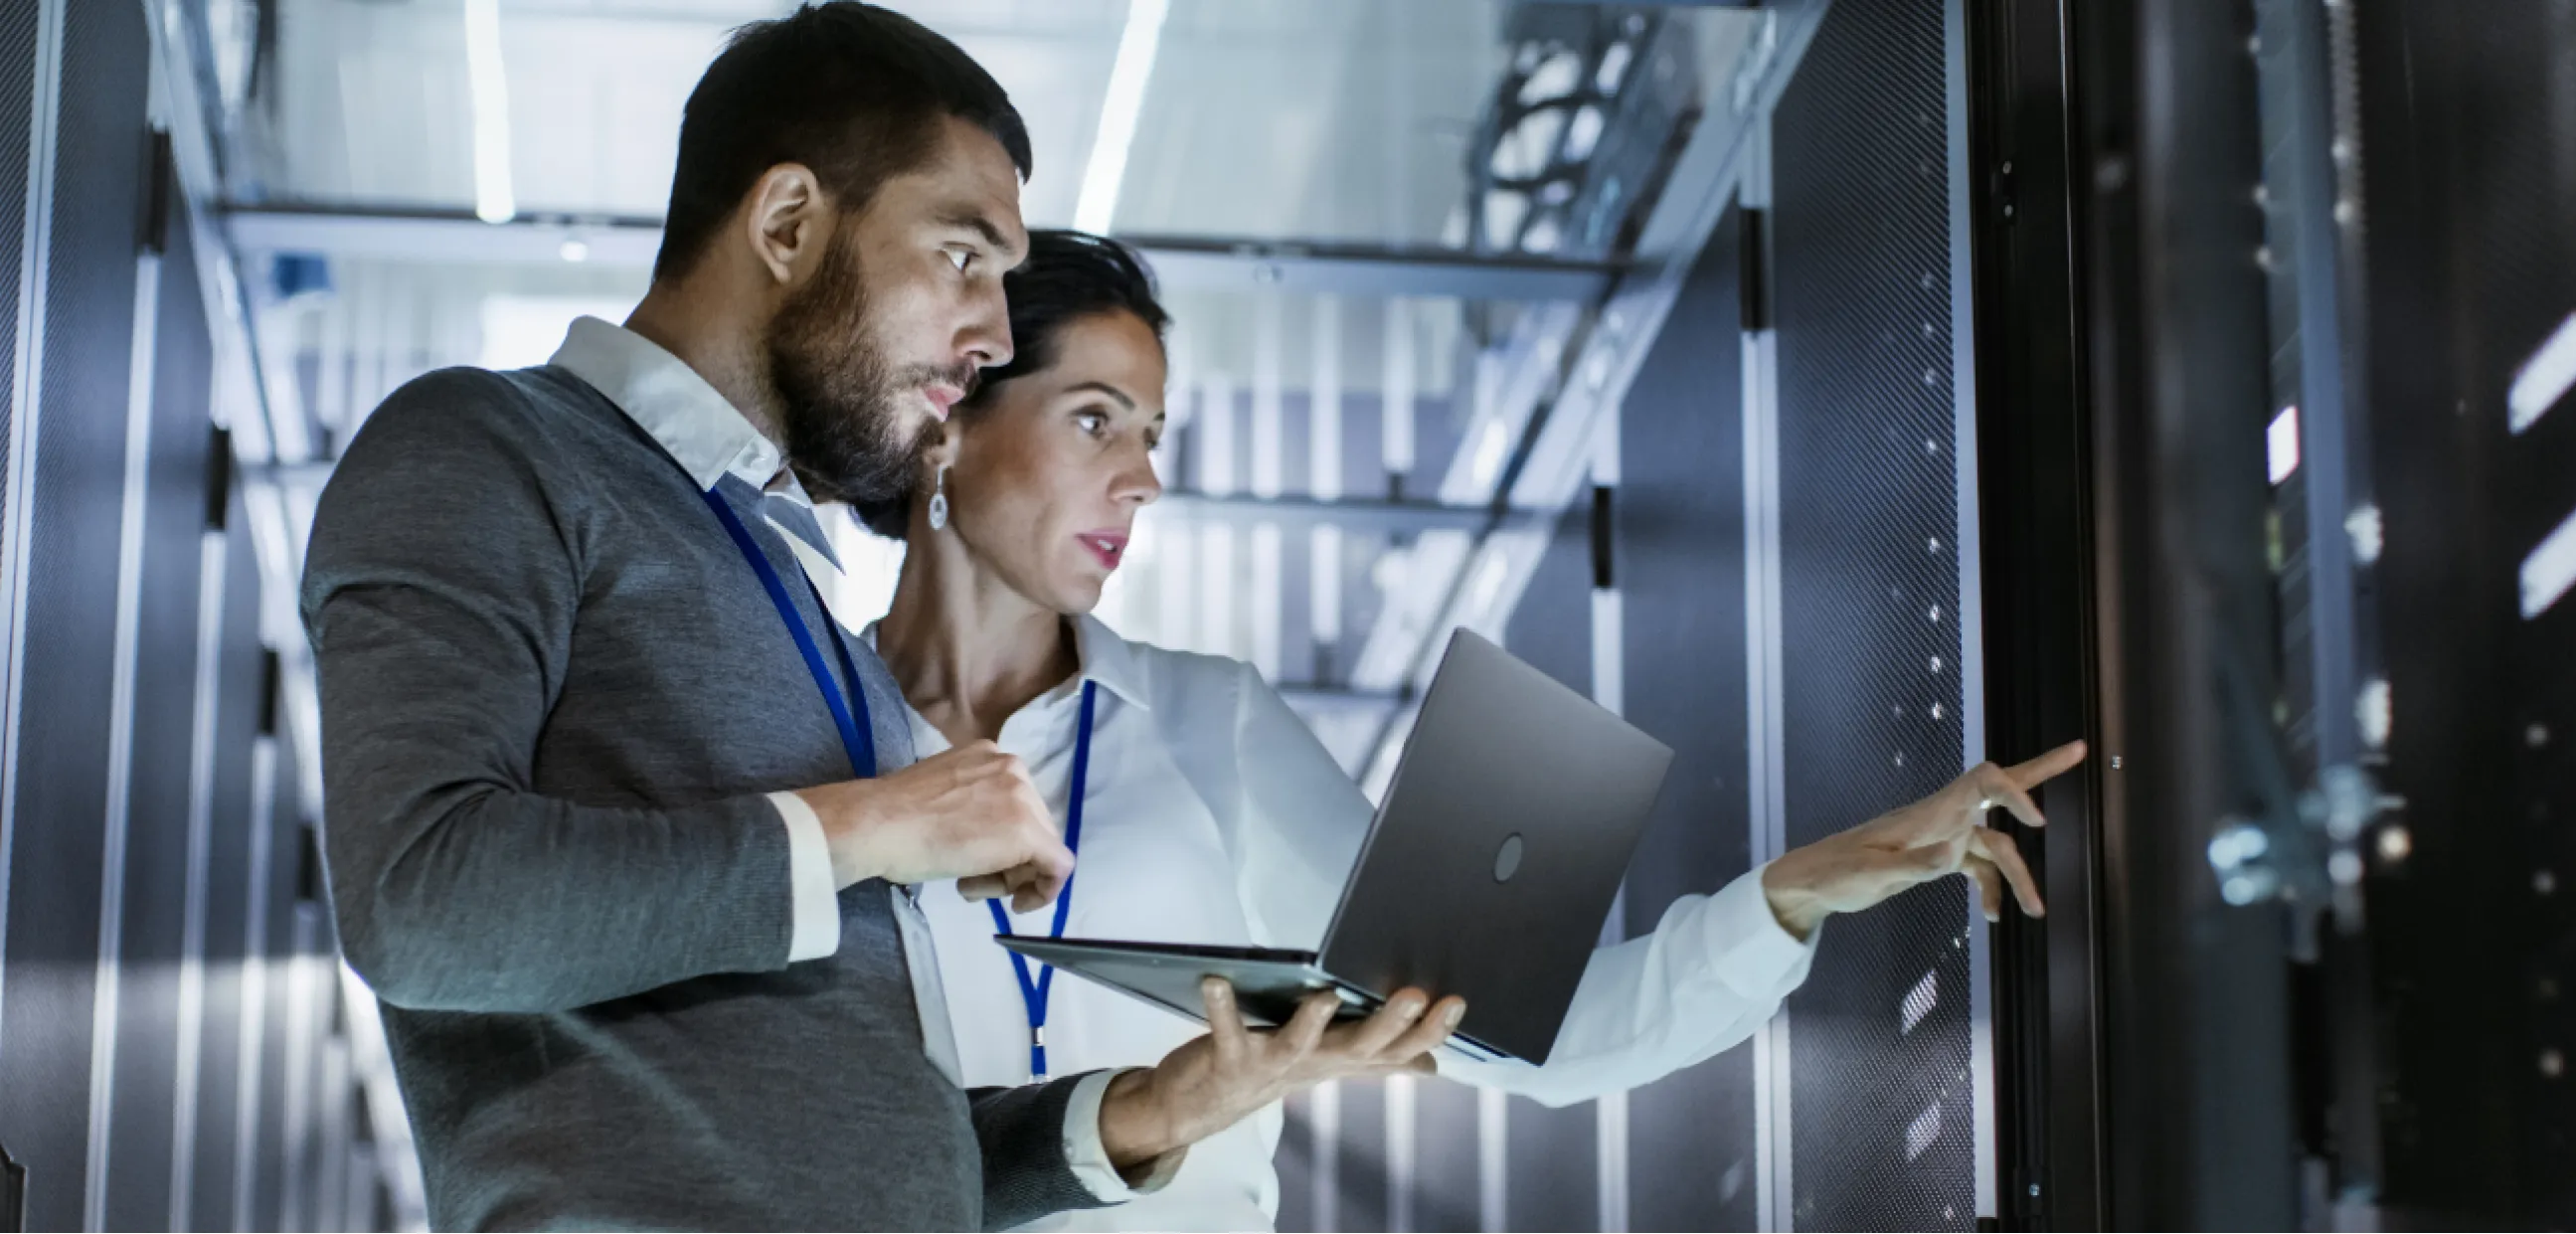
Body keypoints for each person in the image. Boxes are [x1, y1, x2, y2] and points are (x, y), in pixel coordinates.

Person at [302, 8, 1456, 1230]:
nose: (994, 335)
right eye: (963, 257)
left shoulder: (787, 586)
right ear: (788, 223)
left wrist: (1147, 1110)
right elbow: (420, 903)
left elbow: (864, 1139)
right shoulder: (489, 446)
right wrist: (879, 820)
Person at [853, 229, 2088, 1230]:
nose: (1144, 479)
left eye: (1152, 435)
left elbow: (1528, 1039)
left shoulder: (1204, 722)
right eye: (1095, 419)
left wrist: (1797, 893)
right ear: (951, 416)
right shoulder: (810, 752)